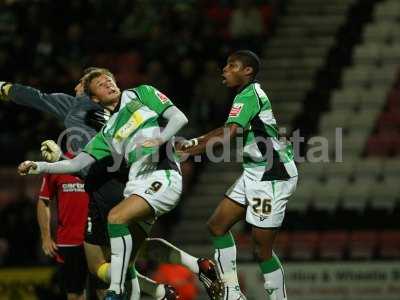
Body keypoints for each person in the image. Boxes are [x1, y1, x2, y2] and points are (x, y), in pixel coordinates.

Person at [1, 70, 221, 300]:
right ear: (93, 95)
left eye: (108, 80)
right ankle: (190, 271)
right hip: (132, 185)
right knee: (128, 255)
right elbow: (78, 162)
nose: (105, 84)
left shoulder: (114, 99)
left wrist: (5, 88)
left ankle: (123, 291)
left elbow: (38, 98)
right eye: (97, 83)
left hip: (125, 184)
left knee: (103, 259)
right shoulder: (108, 130)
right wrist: (40, 165)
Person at [178, 50, 298, 300]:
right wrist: (192, 143)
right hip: (255, 172)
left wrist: (192, 152)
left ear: (247, 71)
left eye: (231, 65)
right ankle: (232, 292)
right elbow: (226, 128)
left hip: (272, 176)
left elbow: (229, 135)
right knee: (217, 226)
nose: (225, 69)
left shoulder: (250, 94)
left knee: (261, 251)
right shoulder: (244, 95)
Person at [37, 152, 89, 300]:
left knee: (104, 290)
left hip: (97, 238)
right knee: (74, 294)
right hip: (69, 241)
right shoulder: (56, 164)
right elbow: (43, 200)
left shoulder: (99, 160)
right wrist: (46, 237)